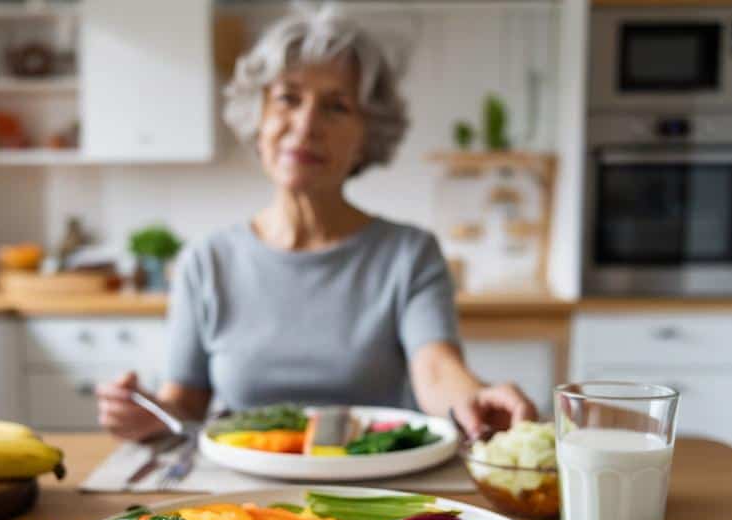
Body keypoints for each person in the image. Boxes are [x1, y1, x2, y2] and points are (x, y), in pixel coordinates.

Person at [98, 6, 536, 441]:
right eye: (288, 98)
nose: (306, 124)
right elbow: (186, 403)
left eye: (337, 107)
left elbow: (438, 370)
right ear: (258, 116)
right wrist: (147, 412)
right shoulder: (206, 261)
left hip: (374, 489)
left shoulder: (409, 254)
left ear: (369, 135)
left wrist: (474, 397)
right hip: (245, 496)